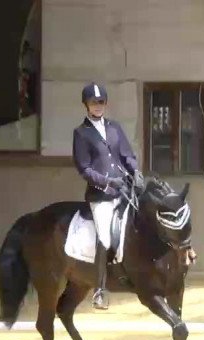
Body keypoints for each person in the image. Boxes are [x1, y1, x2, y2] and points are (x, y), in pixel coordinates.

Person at [72, 83, 144, 309]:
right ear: (86, 105)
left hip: (124, 188)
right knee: (104, 237)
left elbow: (127, 155)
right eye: (94, 103)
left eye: (101, 102)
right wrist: (106, 182)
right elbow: (84, 168)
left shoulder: (114, 128)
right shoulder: (81, 133)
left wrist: (136, 171)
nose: (98, 106)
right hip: (101, 196)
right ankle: (100, 290)